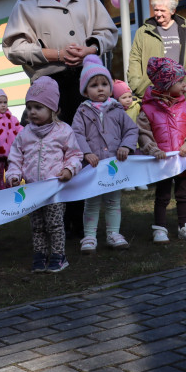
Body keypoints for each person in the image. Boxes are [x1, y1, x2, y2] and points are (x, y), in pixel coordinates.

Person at [2, 0, 117, 239]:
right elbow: (13, 48)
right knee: (54, 152)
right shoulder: (24, 4)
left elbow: (108, 32)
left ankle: (83, 222)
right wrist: (53, 54)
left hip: (85, 81)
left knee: (84, 147)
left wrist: (90, 48)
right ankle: (54, 219)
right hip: (49, 85)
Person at [5, 77, 83, 274]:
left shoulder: (63, 131)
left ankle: (59, 256)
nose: (32, 111)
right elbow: (15, 158)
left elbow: (75, 154)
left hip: (54, 189)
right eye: (29, 106)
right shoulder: (24, 134)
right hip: (32, 190)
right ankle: (40, 256)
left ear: (53, 110)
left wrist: (69, 169)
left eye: (38, 107)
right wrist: (13, 175)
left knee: (55, 224)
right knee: (37, 226)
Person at [137, 57, 186, 243]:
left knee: (183, 193)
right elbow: (143, 133)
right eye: (180, 82)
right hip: (162, 160)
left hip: (182, 159)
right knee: (163, 194)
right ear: (166, 85)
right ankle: (160, 228)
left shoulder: (185, 106)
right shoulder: (149, 109)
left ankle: (185, 226)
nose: (185, 86)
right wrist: (152, 149)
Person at [72, 56, 137, 252]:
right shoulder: (82, 111)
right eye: (94, 85)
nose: (100, 88)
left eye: (104, 84)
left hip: (113, 166)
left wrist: (126, 146)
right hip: (92, 166)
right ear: (85, 90)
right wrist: (86, 152)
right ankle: (89, 236)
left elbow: (132, 130)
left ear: (110, 87)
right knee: (91, 202)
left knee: (113, 201)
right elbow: (76, 133)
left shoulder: (117, 109)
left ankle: (113, 233)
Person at [127, 0, 186, 98]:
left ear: (173, 11)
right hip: (152, 94)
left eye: (162, 10)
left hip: (181, 93)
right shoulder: (143, 32)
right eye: (156, 10)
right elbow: (134, 59)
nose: (158, 14)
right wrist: (138, 86)